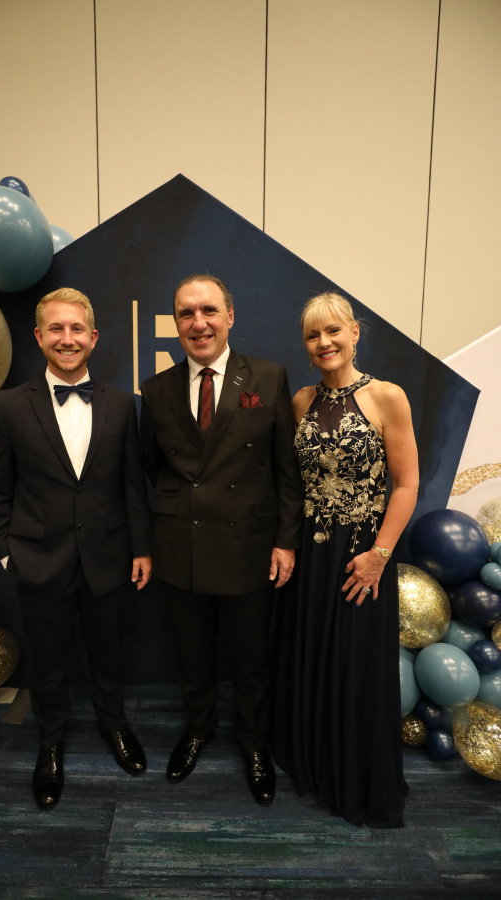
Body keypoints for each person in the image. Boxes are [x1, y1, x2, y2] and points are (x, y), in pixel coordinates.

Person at [0, 287, 152, 810]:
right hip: (38, 560)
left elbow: (132, 486)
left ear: (94, 337)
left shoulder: (122, 405)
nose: (67, 338)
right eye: (56, 328)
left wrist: (141, 549)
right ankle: (51, 742)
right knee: (49, 662)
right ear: (39, 337)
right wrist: (9, 554)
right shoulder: (9, 406)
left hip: (108, 555)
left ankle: (113, 725)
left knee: (108, 653)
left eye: (77, 328)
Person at [140, 274, 302, 804]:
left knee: (251, 658)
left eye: (208, 310)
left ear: (230, 316)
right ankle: (198, 730)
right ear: (176, 324)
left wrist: (286, 540)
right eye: (186, 313)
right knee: (192, 655)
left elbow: (285, 470)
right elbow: (151, 467)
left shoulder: (269, 378)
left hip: (249, 545)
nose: (199, 323)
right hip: (181, 545)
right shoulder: (156, 389)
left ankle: (254, 744)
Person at [271, 291, 419, 828]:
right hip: (312, 557)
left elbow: (407, 484)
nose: (324, 342)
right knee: (314, 656)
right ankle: (316, 766)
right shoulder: (300, 401)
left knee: (356, 666)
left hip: (362, 556)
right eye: (313, 335)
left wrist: (379, 555)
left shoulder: (387, 397)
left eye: (333, 330)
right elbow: (292, 485)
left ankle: (354, 780)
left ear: (355, 332)